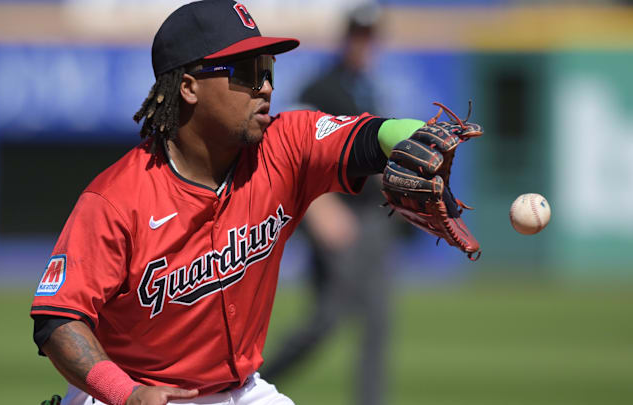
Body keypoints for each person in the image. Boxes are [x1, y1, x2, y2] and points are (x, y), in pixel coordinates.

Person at [30, 1, 433, 404]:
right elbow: (58, 319)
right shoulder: (116, 199)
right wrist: (125, 392)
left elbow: (372, 135)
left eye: (268, 70)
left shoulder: (284, 145)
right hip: (134, 393)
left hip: (242, 391)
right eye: (246, 72)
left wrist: (420, 138)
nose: (266, 87)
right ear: (188, 87)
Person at [259, 5, 395, 405]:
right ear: (346, 37)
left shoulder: (369, 87)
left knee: (377, 323)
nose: (364, 44)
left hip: (373, 219)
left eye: (370, 37)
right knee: (326, 321)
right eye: (358, 36)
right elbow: (293, 150)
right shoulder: (322, 87)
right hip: (339, 216)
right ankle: (251, 384)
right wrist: (319, 208)